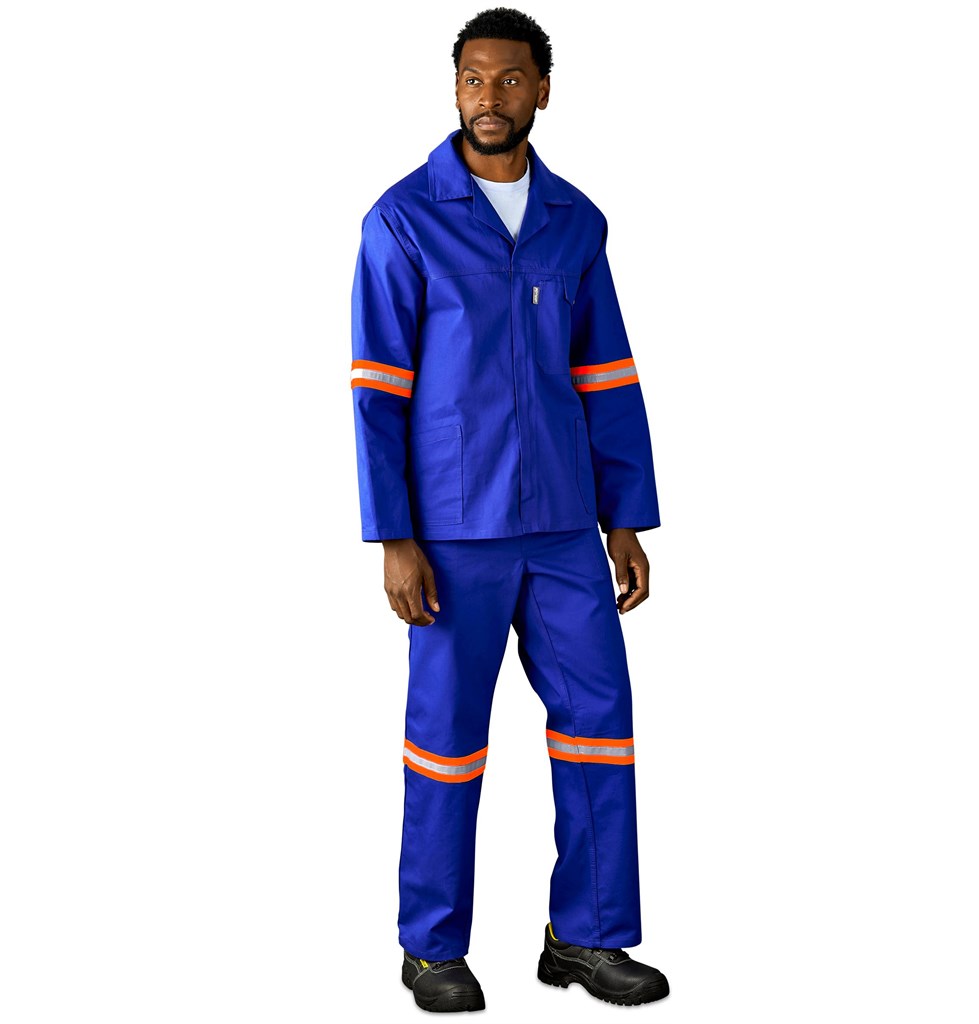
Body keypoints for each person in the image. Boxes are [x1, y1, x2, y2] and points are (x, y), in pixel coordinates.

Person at [350, 7, 668, 1013]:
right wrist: (394, 536)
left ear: (543, 90)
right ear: (455, 89)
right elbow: (376, 391)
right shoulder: (403, 220)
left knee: (599, 724)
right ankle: (431, 947)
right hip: (454, 532)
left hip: (567, 525)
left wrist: (625, 517)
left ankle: (587, 936)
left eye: (511, 78)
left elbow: (607, 374)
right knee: (447, 739)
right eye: (473, 79)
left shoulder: (576, 221)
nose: (490, 97)